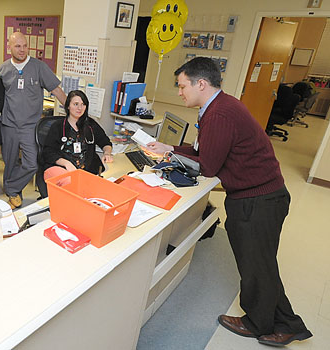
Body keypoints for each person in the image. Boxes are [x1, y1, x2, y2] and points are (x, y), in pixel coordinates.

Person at [146, 57, 312, 347]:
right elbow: (204, 148)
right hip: (258, 195)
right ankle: (288, 324)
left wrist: (171, 158)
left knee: (257, 266)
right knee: (260, 264)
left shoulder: (219, 114)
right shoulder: (218, 107)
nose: (180, 92)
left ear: (201, 83)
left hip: (258, 200)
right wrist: (170, 148)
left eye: (182, 86)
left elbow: (208, 164)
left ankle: (261, 323)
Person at [0, 32, 66, 209]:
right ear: (9, 47)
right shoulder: (3, 69)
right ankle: (14, 193)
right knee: (9, 162)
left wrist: (73, 109)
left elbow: (56, 91)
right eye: (17, 46)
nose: (22, 50)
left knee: (31, 163)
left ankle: (12, 187)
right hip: (8, 124)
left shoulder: (39, 67)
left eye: (25, 46)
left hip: (30, 126)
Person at [42, 90, 113, 180]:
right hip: (64, 171)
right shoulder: (58, 126)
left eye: (83, 104)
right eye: (75, 104)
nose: (79, 108)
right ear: (68, 106)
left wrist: (107, 153)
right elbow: (48, 152)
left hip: (87, 172)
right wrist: (67, 164)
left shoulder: (91, 124)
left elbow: (105, 141)